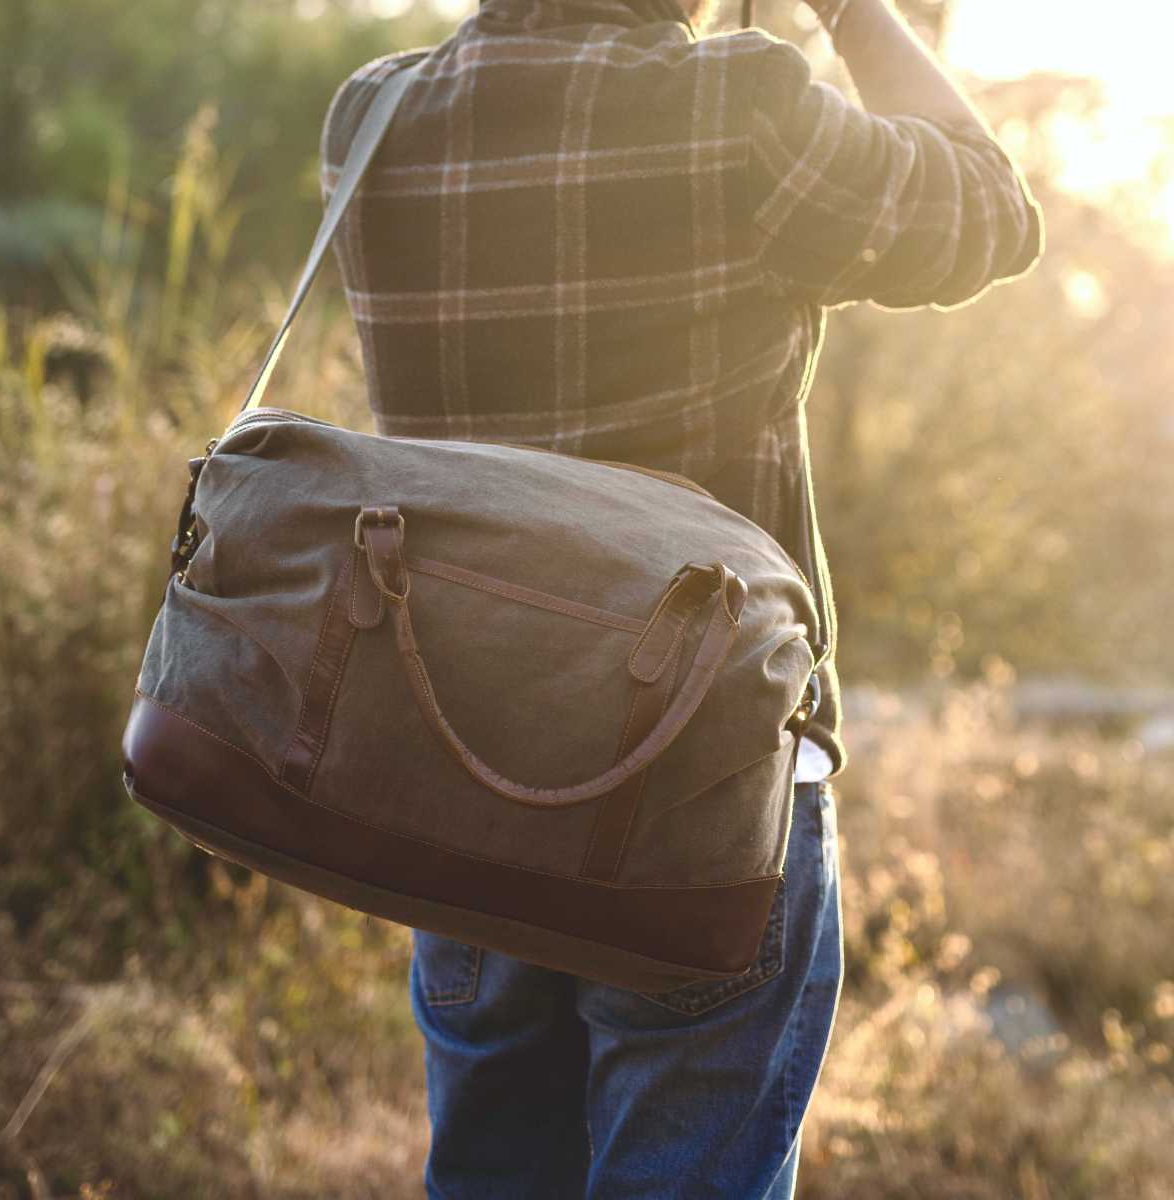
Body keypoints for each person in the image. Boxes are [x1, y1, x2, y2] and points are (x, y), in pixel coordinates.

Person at [320, 0, 1042, 1194]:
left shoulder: (376, 114)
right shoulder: (740, 111)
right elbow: (991, 209)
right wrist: (855, 13)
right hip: (702, 796)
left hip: (459, 785)